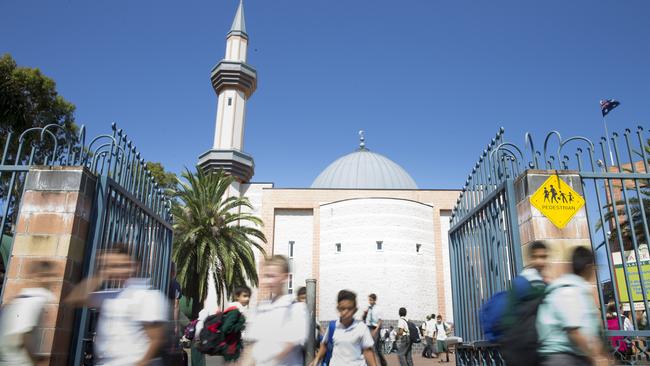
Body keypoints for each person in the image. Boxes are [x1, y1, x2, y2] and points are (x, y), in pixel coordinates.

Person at [65, 244, 169, 366]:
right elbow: (74, 300)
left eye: (122, 265)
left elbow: (156, 339)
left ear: (135, 266)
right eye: (114, 266)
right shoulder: (110, 295)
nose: (118, 270)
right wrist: (101, 274)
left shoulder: (150, 297)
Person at [536, 246, 607, 366]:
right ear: (588, 267)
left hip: (573, 356)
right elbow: (574, 331)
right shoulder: (570, 291)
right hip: (563, 359)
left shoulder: (577, 290)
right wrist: (596, 357)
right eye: (595, 267)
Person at [242, 255, 308, 366]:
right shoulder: (260, 308)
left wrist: (264, 358)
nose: (267, 280)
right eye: (265, 276)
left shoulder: (296, 308)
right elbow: (252, 346)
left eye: (272, 276)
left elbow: (288, 345)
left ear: (286, 277)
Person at [0, 260, 57, 365]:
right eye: (48, 275)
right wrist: (36, 361)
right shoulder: (33, 301)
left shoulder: (19, 299)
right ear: (36, 277)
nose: (52, 280)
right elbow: (26, 338)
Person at [310, 290, 377, 366]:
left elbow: (368, 351)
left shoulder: (361, 328)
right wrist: (317, 359)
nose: (345, 312)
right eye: (342, 308)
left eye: (349, 309)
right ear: (338, 308)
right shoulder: (333, 326)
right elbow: (324, 344)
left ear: (355, 310)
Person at [364, 293, 388, 366]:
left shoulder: (378, 309)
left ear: (374, 300)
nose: (370, 301)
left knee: (376, 348)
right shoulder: (368, 308)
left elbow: (380, 321)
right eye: (369, 300)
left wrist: (376, 330)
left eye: (371, 300)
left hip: (375, 328)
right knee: (368, 346)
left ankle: (383, 363)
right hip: (368, 328)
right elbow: (366, 319)